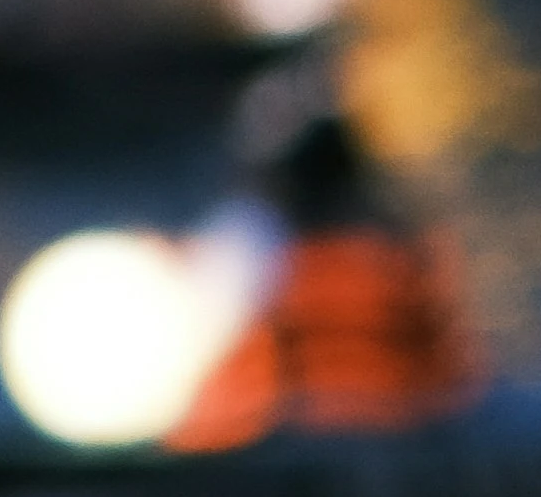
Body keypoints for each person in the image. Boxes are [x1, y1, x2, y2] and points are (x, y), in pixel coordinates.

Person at [177, 109, 475, 447]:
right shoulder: (403, 251)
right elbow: (452, 373)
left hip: (280, 442)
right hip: (400, 440)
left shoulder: (250, 244)